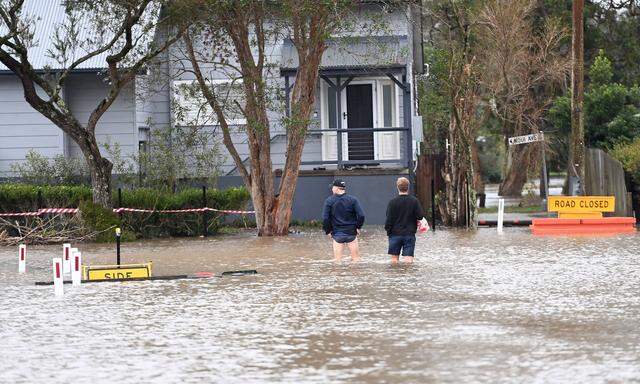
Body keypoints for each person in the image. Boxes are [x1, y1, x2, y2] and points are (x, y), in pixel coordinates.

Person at [322, 179, 365, 262]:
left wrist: (328, 231)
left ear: (337, 188)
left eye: (333, 187)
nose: (332, 189)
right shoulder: (353, 200)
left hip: (337, 234)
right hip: (351, 233)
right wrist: (358, 227)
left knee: (337, 261)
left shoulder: (329, 201)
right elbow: (361, 215)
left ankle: (339, 275)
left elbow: (325, 218)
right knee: (356, 260)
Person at [385, 177, 425, 264]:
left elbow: (388, 220)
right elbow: (420, 216)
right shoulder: (414, 201)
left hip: (394, 234)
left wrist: (388, 232)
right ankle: (407, 276)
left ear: (397, 187)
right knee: (408, 260)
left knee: (394, 260)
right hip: (409, 234)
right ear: (408, 187)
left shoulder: (392, 202)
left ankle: (396, 276)